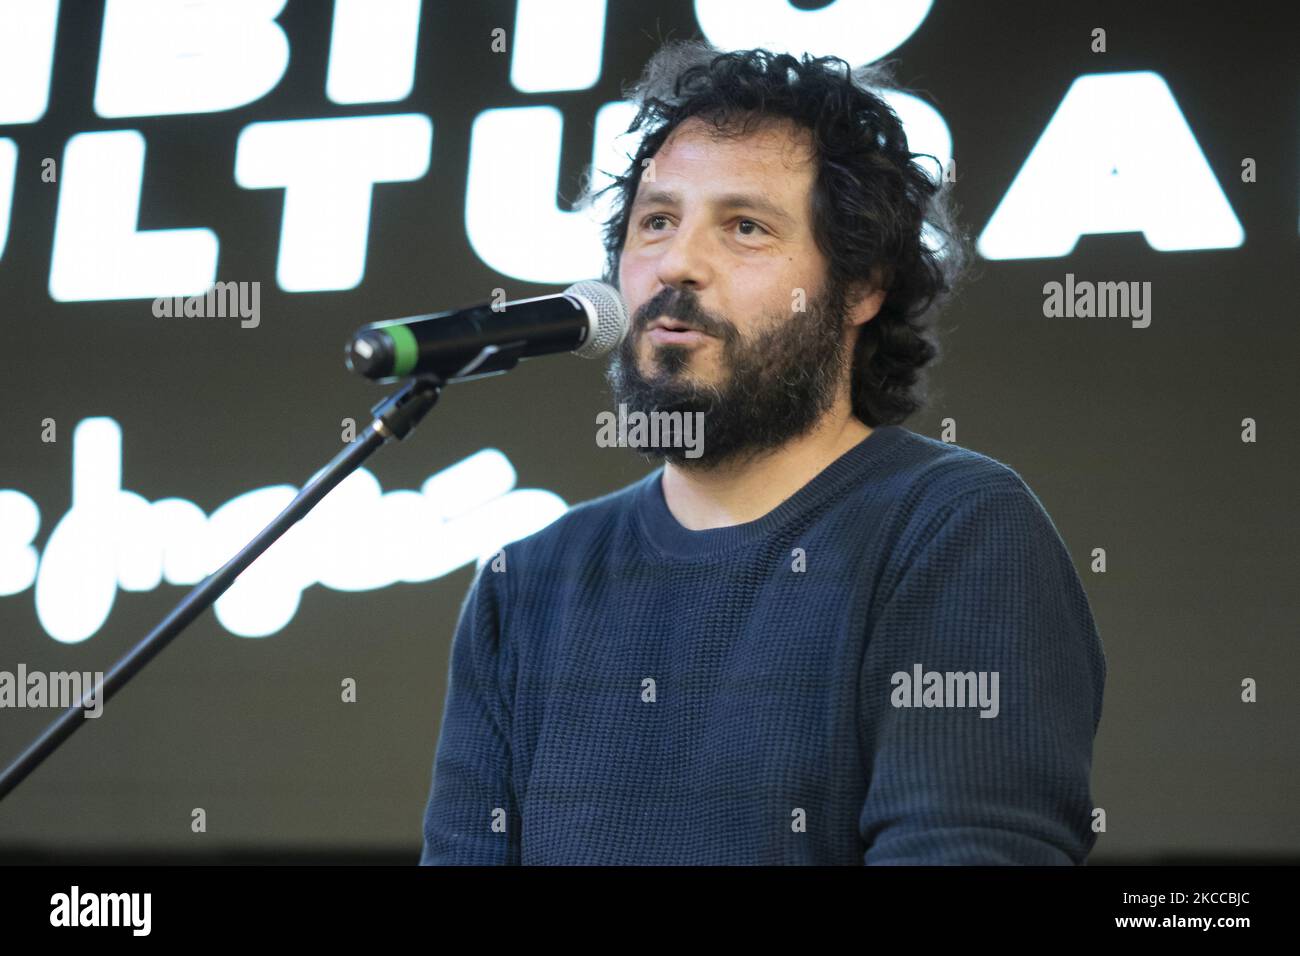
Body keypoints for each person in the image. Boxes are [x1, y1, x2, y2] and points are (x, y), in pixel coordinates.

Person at [419, 41, 1105, 865]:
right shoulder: (525, 584)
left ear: (860, 287)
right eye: (656, 222)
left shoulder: (955, 530)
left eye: (745, 228)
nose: (677, 263)